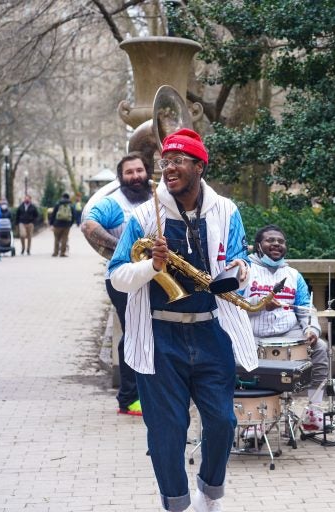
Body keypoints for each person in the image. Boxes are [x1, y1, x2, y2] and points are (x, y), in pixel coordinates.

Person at [108, 128, 257, 512]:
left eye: (177, 162)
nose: (168, 168)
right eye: (165, 162)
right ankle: (176, 503)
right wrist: (151, 266)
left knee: (223, 422)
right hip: (160, 336)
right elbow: (117, 275)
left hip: (211, 329)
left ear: (199, 166)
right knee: (167, 431)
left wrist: (240, 271)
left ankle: (210, 491)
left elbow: (241, 259)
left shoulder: (226, 210)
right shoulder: (144, 215)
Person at [81, 152, 153, 417]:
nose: (135, 177)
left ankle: (151, 392)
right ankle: (129, 398)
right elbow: (89, 227)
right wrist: (124, 248)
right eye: (129, 173)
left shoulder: (157, 199)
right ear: (121, 178)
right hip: (122, 279)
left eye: (139, 171)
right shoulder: (113, 204)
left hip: (153, 277)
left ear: (147, 172)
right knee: (133, 333)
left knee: (152, 334)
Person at [243, 224, 330, 433]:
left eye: (280, 241)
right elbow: (233, 303)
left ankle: (313, 412)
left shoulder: (293, 275)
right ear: (258, 246)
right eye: (270, 240)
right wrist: (261, 302)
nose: (276, 244)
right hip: (252, 334)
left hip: (288, 333)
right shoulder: (245, 270)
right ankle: (255, 419)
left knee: (320, 348)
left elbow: (305, 308)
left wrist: (311, 330)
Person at [48, 192, 75, 257]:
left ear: (62, 197)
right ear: (68, 197)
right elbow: (73, 216)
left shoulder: (58, 204)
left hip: (57, 224)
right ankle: (62, 253)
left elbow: (53, 214)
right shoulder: (70, 205)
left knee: (56, 238)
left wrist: (51, 223)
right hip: (66, 225)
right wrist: (70, 224)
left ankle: (55, 253)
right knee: (64, 239)